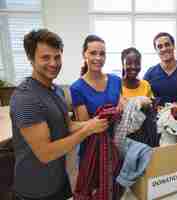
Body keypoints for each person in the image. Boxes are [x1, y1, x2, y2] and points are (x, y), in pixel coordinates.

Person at [10, 29, 109, 200]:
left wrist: (93, 123)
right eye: (45, 57)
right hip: (35, 191)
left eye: (57, 57)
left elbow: (68, 126)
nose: (53, 63)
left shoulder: (57, 91)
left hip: (59, 181)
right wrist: (88, 130)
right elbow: (46, 153)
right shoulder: (26, 98)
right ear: (31, 59)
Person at [70, 34, 122, 160]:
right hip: (92, 149)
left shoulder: (115, 80)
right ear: (84, 55)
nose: (98, 58)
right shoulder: (77, 88)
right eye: (93, 53)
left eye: (102, 54)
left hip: (116, 144)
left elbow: (121, 106)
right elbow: (86, 125)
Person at [143, 32, 177, 108]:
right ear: (156, 50)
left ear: (173, 46)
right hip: (159, 119)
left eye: (167, 44)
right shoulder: (150, 73)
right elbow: (144, 98)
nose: (164, 49)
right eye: (160, 46)